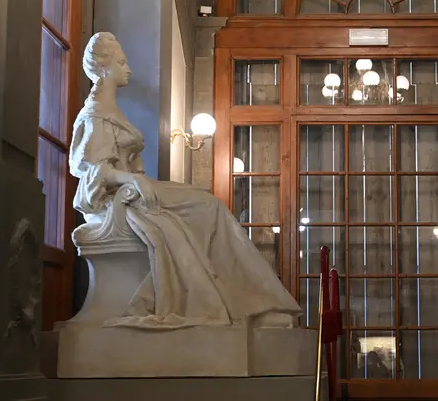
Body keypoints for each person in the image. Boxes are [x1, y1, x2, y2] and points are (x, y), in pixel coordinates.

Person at [69, 32, 301, 329]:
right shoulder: (95, 115)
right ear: (103, 68)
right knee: (208, 207)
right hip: (121, 199)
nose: (129, 69)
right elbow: (92, 171)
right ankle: (250, 306)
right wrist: (134, 181)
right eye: (122, 63)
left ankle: (251, 303)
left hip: (135, 190)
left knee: (208, 206)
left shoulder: (112, 112)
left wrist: (136, 181)